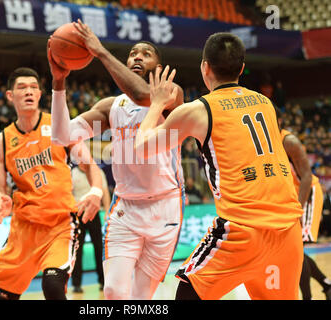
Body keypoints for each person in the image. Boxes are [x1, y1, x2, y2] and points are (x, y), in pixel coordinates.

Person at [135, 32, 304, 300]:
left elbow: (142, 147)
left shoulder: (199, 109)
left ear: (205, 67)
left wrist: (156, 104)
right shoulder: (267, 104)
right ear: (241, 68)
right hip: (288, 231)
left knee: (186, 295)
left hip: (242, 231)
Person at [49, 20, 185, 299]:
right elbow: (62, 136)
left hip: (166, 208)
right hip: (125, 209)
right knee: (112, 292)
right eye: (133, 52)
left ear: (159, 68)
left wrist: (100, 52)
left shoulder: (171, 95)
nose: (137, 56)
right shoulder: (112, 106)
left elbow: (141, 94)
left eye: (145, 53)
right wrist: (59, 83)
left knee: (140, 297)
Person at [0, 67, 102, 300]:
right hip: (24, 228)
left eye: (33, 87)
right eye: (22, 87)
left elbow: (90, 165)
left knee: (52, 285)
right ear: (10, 96)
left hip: (60, 222)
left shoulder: (60, 127)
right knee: (5, 297)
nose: (28, 92)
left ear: (40, 94)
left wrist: (96, 190)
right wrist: (0, 200)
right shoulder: (2, 141)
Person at [276, 109, 331, 300]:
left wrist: (298, 208)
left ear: (279, 120)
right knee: (293, 251)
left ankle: (309, 296)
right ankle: (326, 285)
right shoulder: (269, 142)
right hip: (293, 197)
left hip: (307, 194)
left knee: (296, 250)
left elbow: (306, 176)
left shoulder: (288, 141)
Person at [71, 161, 111, 293]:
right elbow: (68, 193)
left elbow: (105, 191)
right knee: (77, 250)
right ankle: (76, 284)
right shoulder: (73, 173)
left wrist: (107, 211)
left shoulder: (97, 173)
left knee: (100, 248)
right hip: (78, 215)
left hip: (94, 214)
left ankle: (103, 281)